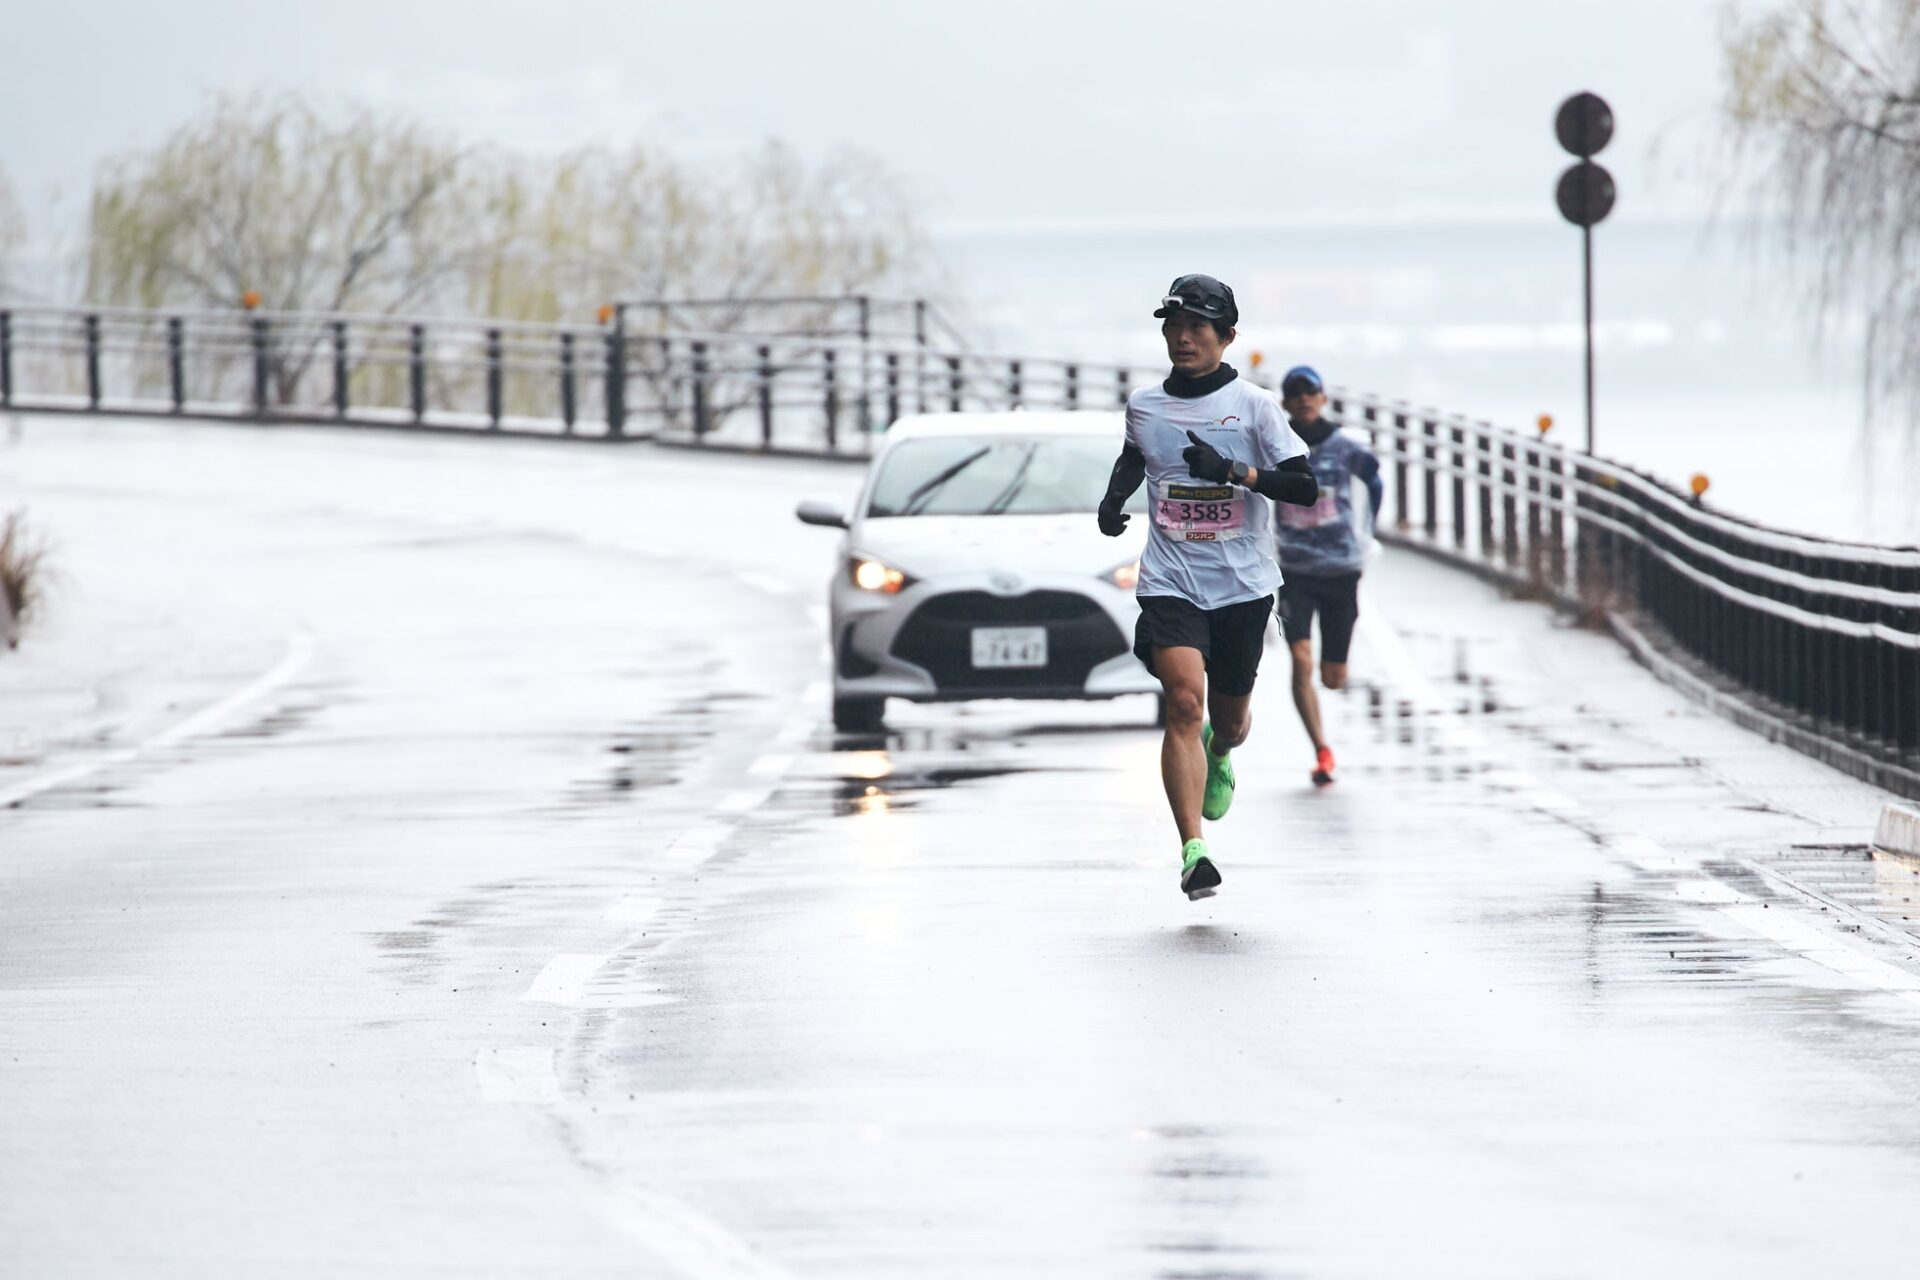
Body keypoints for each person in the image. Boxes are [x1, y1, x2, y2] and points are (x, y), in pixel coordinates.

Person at [1096, 275, 1318, 899]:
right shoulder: (1145, 405)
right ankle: (1194, 851)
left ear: (1227, 336)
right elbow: (1136, 454)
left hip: (1243, 586)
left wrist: (1236, 471)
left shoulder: (1255, 406)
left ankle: (1220, 753)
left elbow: (1304, 487)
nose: (1183, 337)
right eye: (1174, 326)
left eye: (1197, 327)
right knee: (1183, 704)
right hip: (1171, 579)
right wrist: (1114, 498)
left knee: (1230, 721)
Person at [1271, 365, 1382, 787]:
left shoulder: (1344, 447)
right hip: (1294, 570)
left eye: (1310, 392)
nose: (1303, 399)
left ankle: (1332, 680)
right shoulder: (1276, 444)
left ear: (1323, 399)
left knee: (1333, 679)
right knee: (1300, 659)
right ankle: (1321, 749)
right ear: (1285, 402)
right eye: (1295, 393)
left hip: (1340, 569)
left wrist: (1369, 531)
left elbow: (1374, 479)